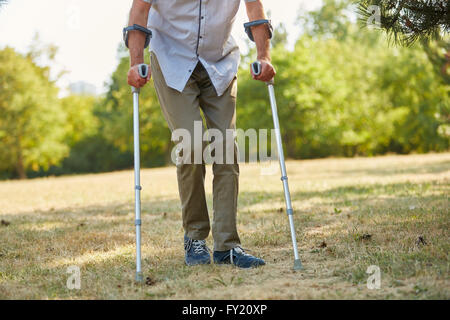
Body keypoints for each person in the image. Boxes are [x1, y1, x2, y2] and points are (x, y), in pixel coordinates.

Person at [126, 0, 275, 268]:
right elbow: (139, 10)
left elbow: (254, 7)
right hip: (171, 60)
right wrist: (135, 62)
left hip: (219, 61)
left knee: (226, 148)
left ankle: (227, 246)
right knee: (191, 143)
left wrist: (263, 56)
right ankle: (195, 237)